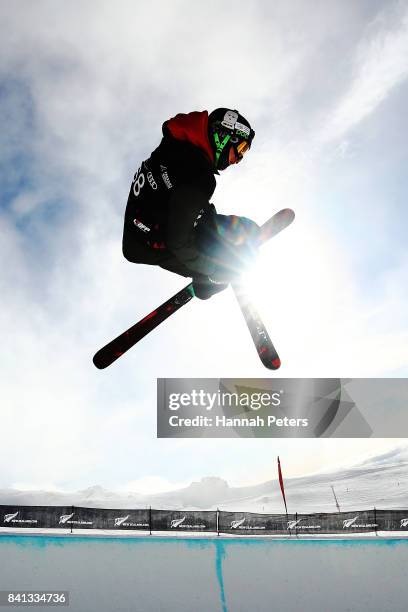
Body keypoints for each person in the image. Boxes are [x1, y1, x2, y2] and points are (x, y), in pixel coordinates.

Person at [122, 108, 260, 299]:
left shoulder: (174, 145)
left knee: (224, 229)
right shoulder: (201, 176)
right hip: (154, 243)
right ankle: (211, 279)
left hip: (139, 236)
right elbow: (178, 241)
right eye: (242, 148)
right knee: (244, 231)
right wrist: (211, 270)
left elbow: (176, 197)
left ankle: (209, 277)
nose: (238, 159)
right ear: (225, 136)